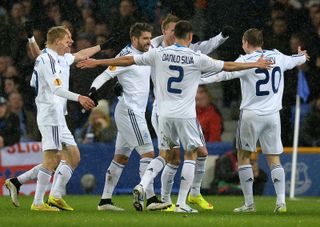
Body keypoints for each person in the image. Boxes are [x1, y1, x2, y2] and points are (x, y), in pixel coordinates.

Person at [77, 20, 272, 212]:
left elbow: (127, 61)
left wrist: (99, 61)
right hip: (182, 114)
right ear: (189, 37)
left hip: (162, 113)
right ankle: (177, 202)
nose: (148, 40)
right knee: (189, 154)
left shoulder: (158, 53)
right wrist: (255, 63)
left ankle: (126, 193)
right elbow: (228, 66)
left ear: (174, 34)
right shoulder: (195, 56)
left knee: (157, 156)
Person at [4, 23, 115, 210]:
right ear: (57, 42)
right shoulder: (47, 59)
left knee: (73, 156)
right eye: (67, 39)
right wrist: (79, 97)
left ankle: (41, 191)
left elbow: (80, 55)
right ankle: (38, 202)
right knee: (51, 159)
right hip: (50, 113)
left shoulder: (60, 57)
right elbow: (56, 88)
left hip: (58, 116)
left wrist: (102, 46)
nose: (71, 41)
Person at [200, 28, 309, 213]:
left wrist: (198, 79)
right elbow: (295, 60)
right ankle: (281, 202)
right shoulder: (277, 56)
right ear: (261, 42)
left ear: (245, 43)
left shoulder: (245, 61)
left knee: (243, 157)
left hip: (251, 115)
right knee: (274, 159)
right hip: (273, 115)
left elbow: (224, 73)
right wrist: (301, 56)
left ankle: (249, 204)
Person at [87, 23, 168, 211]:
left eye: (150, 37)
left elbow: (159, 40)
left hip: (132, 112)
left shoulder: (149, 48)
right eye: (145, 38)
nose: (149, 42)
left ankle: (105, 201)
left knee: (121, 158)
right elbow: (105, 75)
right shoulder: (125, 57)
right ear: (134, 40)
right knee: (148, 153)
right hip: (130, 111)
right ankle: (151, 199)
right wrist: (92, 91)